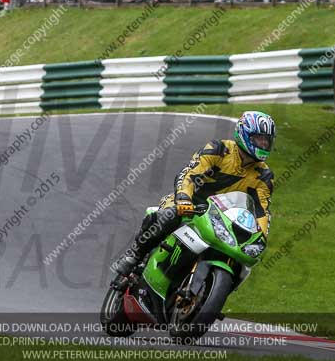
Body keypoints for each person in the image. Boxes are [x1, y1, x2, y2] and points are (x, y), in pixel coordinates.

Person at [113, 111, 276, 278]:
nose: (263, 144)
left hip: (222, 221)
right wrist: (184, 198)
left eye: (266, 140)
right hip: (192, 206)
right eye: (259, 139)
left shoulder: (264, 176)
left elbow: (262, 211)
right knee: (168, 215)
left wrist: (261, 236)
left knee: (241, 259)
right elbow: (189, 174)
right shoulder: (219, 150)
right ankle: (134, 256)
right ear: (244, 134)